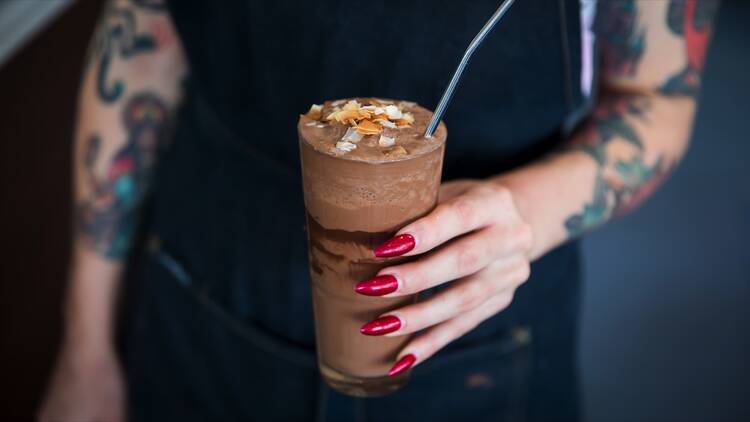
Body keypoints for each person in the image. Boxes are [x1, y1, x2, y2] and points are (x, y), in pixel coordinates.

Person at [38, 0, 720, 421]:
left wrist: (526, 211)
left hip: (474, 329)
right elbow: (145, 38)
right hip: (208, 287)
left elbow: (654, 102)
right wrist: (86, 350)